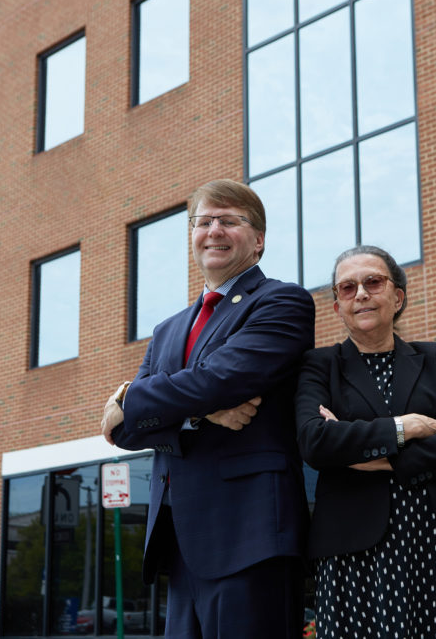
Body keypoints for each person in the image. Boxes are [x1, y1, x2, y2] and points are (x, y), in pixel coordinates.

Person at [100, 179, 316, 638]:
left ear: (257, 240)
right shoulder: (166, 330)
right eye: (204, 221)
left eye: (230, 220)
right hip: (179, 541)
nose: (214, 230)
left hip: (250, 535)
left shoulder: (282, 301)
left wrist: (128, 397)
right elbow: (124, 432)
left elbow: (225, 379)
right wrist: (198, 412)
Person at [296, 245, 436, 639]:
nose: (362, 294)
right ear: (337, 307)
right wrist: (405, 427)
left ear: (397, 296)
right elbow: (316, 442)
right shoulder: (319, 365)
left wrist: (376, 458)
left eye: (373, 282)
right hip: (354, 551)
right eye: (347, 288)